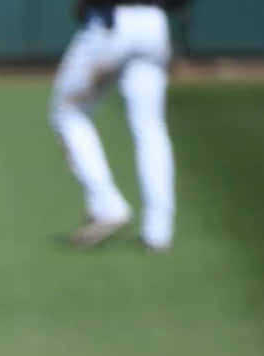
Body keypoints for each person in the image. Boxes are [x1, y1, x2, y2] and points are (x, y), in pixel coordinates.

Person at [51, 1, 190, 252]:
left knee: (69, 113)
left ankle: (106, 203)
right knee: (151, 128)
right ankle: (158, 231)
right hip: (154, 24)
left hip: (113, 22)